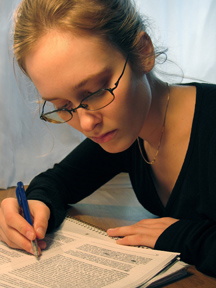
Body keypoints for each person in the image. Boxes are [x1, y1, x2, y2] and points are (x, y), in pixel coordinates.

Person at [0, 0, 216, 277]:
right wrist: (35, 204)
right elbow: (60, 181)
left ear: (142, 51)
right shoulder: (129, 127)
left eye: (96, 91)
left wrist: (191, 238)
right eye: (63, 106)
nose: (87, 123)